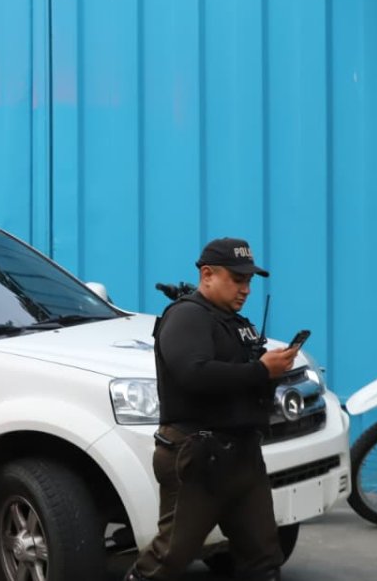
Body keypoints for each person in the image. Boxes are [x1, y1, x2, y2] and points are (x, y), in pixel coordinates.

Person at [125, 238, 299, 581]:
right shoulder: (187, 316)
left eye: (249, 281)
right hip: (198, 456)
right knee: (170, 558)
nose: (246, 289)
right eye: (237, 280)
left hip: (242, 456)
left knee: (263, 558)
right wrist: (261, 370)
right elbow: (194, 374)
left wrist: (272, 372)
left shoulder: (232, 322)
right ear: (207, 275)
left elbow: (242, 382)